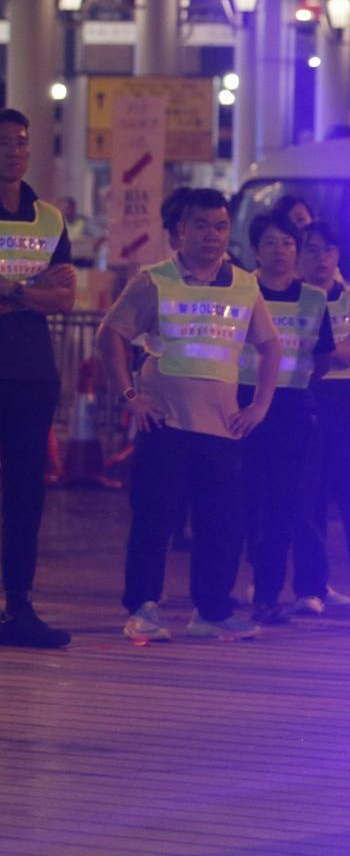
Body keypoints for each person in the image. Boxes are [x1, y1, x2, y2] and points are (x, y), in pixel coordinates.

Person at [98, 187, 282, 642]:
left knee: (221, 525)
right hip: (165, 423)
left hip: (222, 427)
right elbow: (110, 334)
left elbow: (271, 345)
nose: (212, 235)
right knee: (154, 520)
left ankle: (212, 611)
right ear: (181, 230)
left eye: (220, 226)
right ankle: (143, 608)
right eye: (201, 225)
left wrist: (260, 406)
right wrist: (131, 395)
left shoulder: (244, 284)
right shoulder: (154, 280)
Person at [0, 108, 75, 648]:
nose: (14, 152)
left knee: (26, 496)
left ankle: (19, 607)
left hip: (31, 373)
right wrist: (34, 290)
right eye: (4, 142)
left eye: (21, 142)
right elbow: (48, 291)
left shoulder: (49, 220)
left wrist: (14, 293)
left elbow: (66, 298)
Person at [237, 210, 334, 624]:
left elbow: (323, 357)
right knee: (240, 500)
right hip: (240, 404)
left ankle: (268, 594)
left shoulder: (313, 299)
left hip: (292, 408)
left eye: (288, 243)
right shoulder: (240, 292)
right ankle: (224, 589)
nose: (281, 251)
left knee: (282, 503)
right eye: (271, 243)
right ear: (256, 250)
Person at [300, 221, 350, 593]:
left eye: (328, 250)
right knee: (310, 499)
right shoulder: (292, 297)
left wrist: (330, 352)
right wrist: (334, 351)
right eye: (311, 249)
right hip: (308, 398)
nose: (321, 258)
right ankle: (312, 588)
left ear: (338, 255)